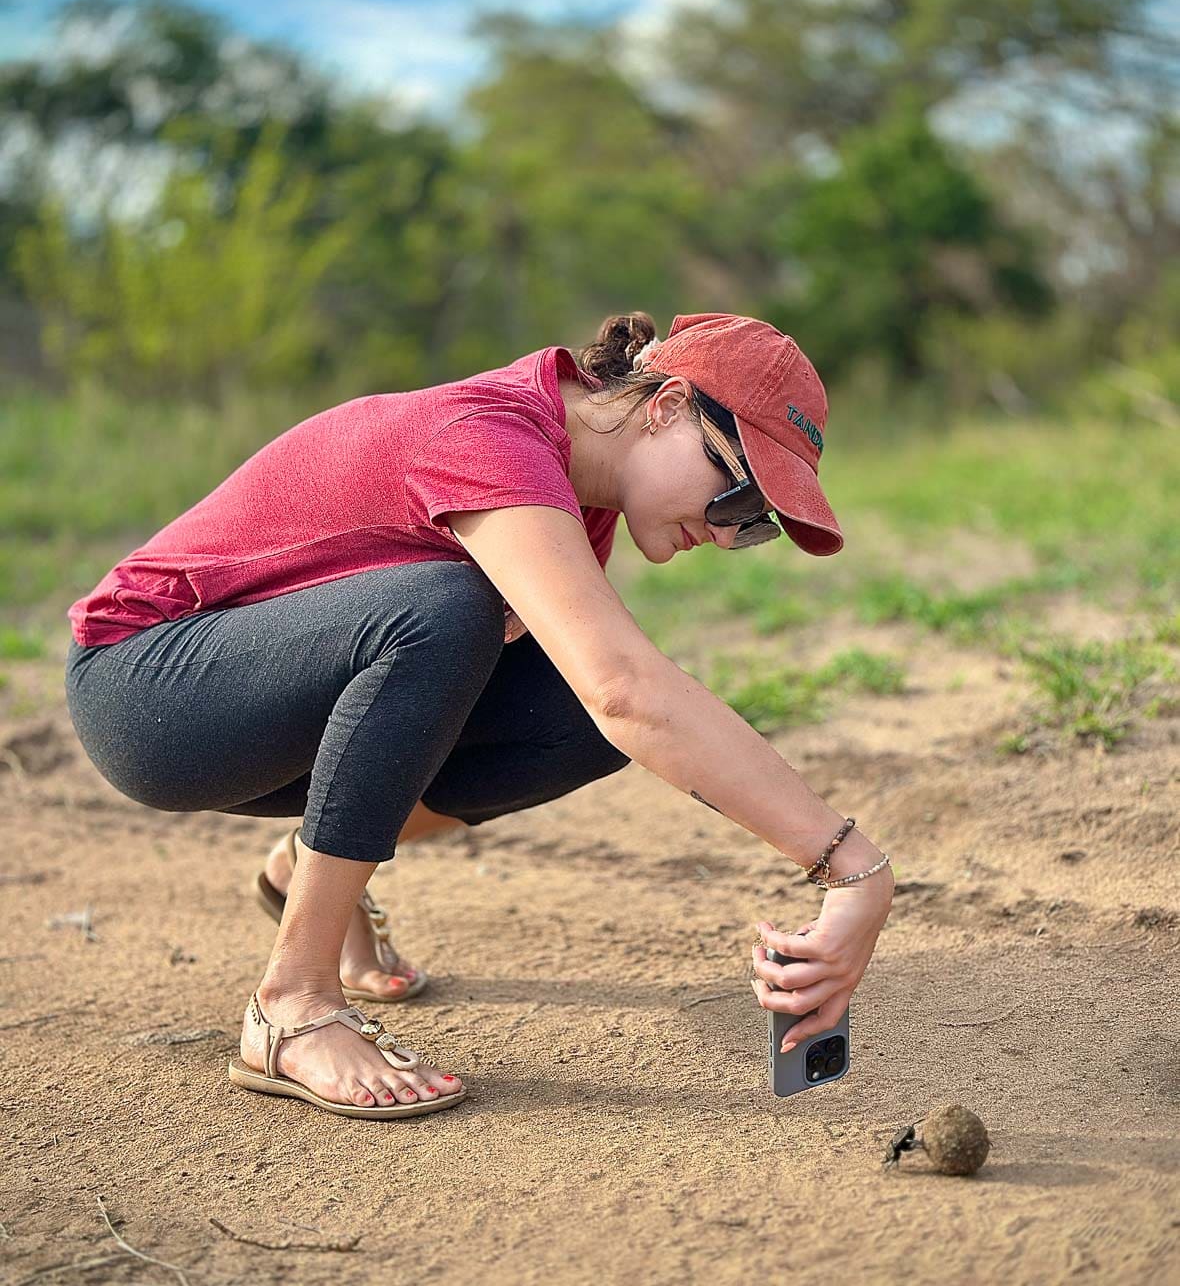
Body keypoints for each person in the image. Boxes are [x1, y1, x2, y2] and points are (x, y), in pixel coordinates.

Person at [63, 309, 894, 1122]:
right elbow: (626, 689)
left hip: (255, 701)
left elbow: (595, 700)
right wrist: (848, 862)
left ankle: (306, 873)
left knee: (566, 710)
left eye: (755, 528)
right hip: (147, 686)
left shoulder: (579, 491)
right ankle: (293, 1002)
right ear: (668, 405)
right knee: (453, 614)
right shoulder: (494, 435)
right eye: (739, 496)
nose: (729, 532)